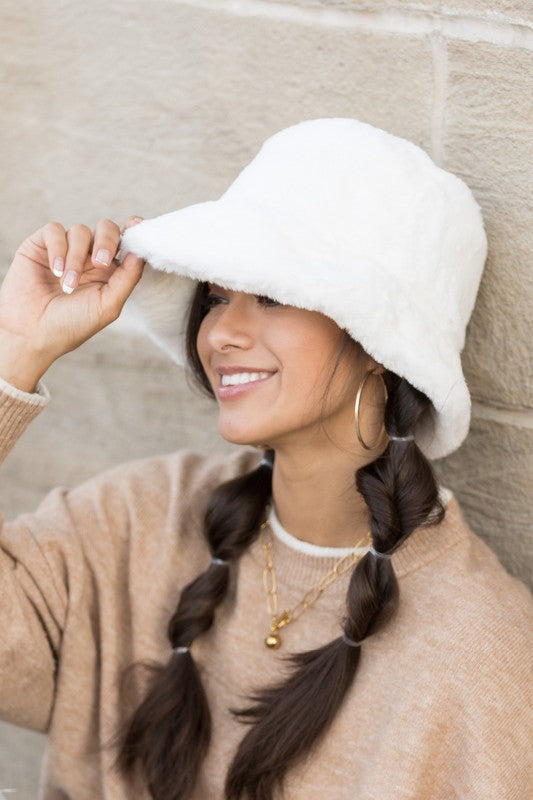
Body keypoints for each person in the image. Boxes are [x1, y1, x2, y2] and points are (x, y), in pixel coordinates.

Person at [0, 118, 531, 800]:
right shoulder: (136, 522)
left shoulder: (478, 656)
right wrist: (16, 350)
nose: (221, 331)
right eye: (216, 297)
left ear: (377, 343)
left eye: (271, 297)